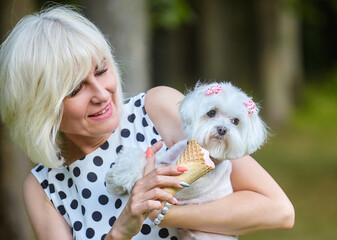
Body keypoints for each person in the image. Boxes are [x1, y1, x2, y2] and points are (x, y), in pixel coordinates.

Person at [0, 5, 294, 240]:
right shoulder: (44, 189)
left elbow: (277, 210)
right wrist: (120, 231)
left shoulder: (157, 108)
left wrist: (164, 215)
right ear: (39, 109)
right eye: (76, 89)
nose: (102, 94)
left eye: (101, 71)